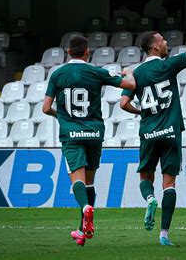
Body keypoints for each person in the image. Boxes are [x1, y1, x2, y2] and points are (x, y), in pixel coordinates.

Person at [119, 0, 186, 246]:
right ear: (154, 48)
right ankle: (164, 234)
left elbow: (123, 103)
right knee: (169, 183)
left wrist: (142, 112)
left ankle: (150, 200)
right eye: (162, 40)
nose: (166, 42)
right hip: (171, 132)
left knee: (145, 179)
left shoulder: (136, 73)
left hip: (148, 132)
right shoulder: (169, 65)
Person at [43, 36, 136, 246]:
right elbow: (130, 84)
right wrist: (129, 73)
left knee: (78, 181)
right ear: (87, 52)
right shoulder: (96, 72)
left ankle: (85, 209)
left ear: (68, 52)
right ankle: (82, 231)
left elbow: (46, 108)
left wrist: (63, 117)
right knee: (90, 183)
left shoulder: (57, 74)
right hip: (95, 133)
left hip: (72, 135)